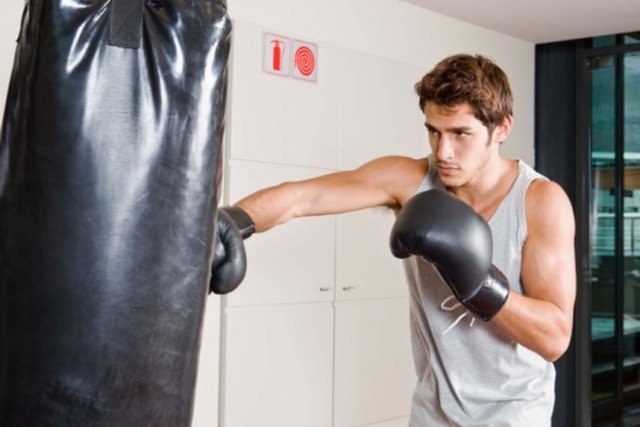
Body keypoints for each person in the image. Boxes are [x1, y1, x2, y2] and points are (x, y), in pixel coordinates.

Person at [224, 53, 576, 426]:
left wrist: (480, 283)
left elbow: (554, 338)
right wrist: (231, 222)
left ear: (501, 128)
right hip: (431, 414)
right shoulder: (412, 183)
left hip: (514, 415)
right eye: (434, 131)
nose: (443, 152)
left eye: (460, 133)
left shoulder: (539, 201)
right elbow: (301, 197)